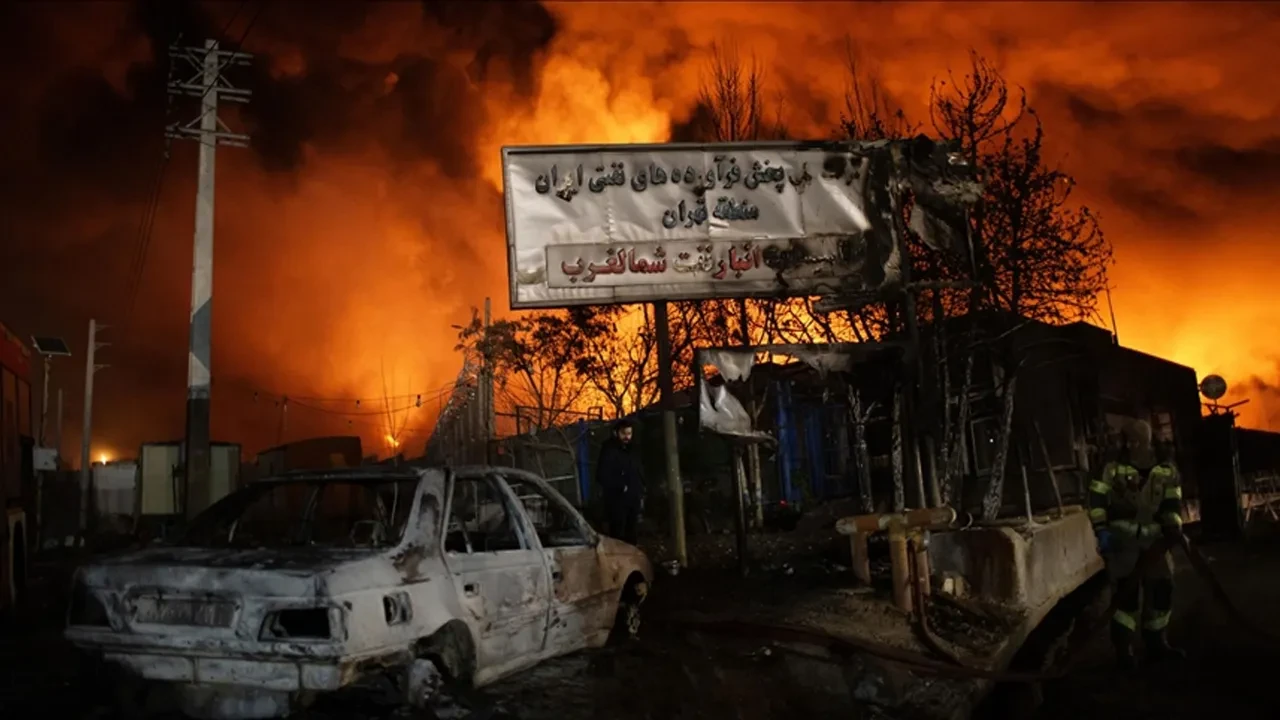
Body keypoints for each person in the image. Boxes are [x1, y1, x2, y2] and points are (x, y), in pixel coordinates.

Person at [1088, 420, 1186, 670]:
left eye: (1136, 440)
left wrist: (1173, 525)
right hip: (1123, 540)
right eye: (1127, 440)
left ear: (1149, 441)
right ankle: (1124, 651)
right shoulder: (1111, 468)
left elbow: (1172, 502)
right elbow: (1097, 500)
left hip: (1155, 540)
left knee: (1162, 589)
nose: (1130, 445)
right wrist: (1101, 531)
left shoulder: (1166, 469)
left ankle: (1157, 643)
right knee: (1125, 598)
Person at [595, 418, 644, 544]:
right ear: (616, 433)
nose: (627, 437)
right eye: (624, 433)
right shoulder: (609, 450)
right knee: (618, 531)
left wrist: (640, 488)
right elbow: (602, 475)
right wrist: (620, 486)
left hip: (633, 497)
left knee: (632, 530)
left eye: (629, 434)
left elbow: (637, 469)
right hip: (617, 500)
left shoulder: (633, 449)